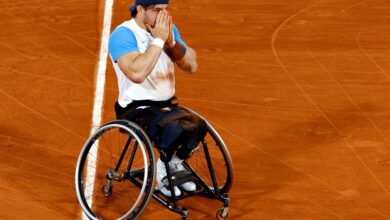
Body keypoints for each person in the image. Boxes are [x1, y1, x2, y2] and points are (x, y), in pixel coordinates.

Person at [108, 0, 207, 197]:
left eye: (165, 10)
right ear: (140, 9)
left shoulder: (166, 29)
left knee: (198, 126)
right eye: (156, 10)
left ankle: (173, 164)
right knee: (174, 129)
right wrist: (159, 41)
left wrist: (171, 42)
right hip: (137, 109)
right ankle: (162, 170)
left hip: (167, 106)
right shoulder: (123, 34)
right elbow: (137, 73)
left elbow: (191, 65)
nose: (162, 16)